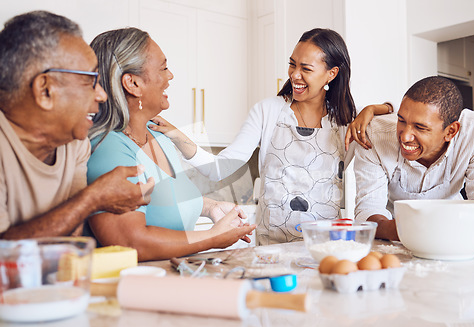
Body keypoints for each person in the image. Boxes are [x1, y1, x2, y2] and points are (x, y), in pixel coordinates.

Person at [148, 28, 392, 245]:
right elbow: (219, 169)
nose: (295, 75)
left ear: (331, 73)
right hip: (271, 249)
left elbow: (399, 118)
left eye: (306, 68)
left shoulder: (345, 122)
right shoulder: (269, 111)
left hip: (322, 247)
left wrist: (374, 109)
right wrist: (177, 136)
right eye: (292, 64)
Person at [86, 28, 256, 261]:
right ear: (133, 83)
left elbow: (166, 198)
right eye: (163, 68)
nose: (171, 76)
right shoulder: (108, 149)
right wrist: (213, 237)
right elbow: (130, 242)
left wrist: (211, 207)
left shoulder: (159, 136)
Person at [0, 11, 155, 240]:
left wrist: (89, 201)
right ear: (46, 90)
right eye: (91, 81)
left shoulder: (75, 145)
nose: (102, 95)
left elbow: (68, 241)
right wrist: (93, 199)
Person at [354, 76, 474, 240]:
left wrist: (454, 234)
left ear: (450, 131)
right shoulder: (374, 135)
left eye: (420, 127)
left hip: (457, 232)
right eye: (401, 120)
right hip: (395, 234)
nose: (405, 137)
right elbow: (367, 211)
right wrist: (408, 232)